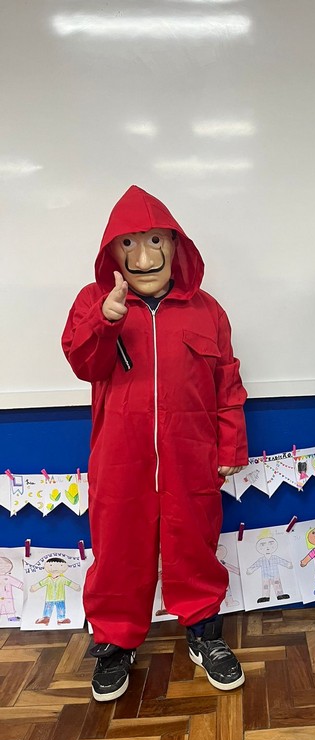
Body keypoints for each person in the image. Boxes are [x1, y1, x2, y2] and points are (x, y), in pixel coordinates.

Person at [62, 186, 248, 701]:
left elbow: (227, 384)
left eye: (155, 241)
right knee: (118, 549)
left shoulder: (207, 310)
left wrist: (230, 447)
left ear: (175, 245)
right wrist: (106, 319)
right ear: (112, 252)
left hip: (192, 454)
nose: (143, 257)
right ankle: (115, 642)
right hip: (120, 456)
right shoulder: (93, 303)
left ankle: (204, 631)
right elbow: (83, 364)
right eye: (128, 244)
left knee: (195, 544)